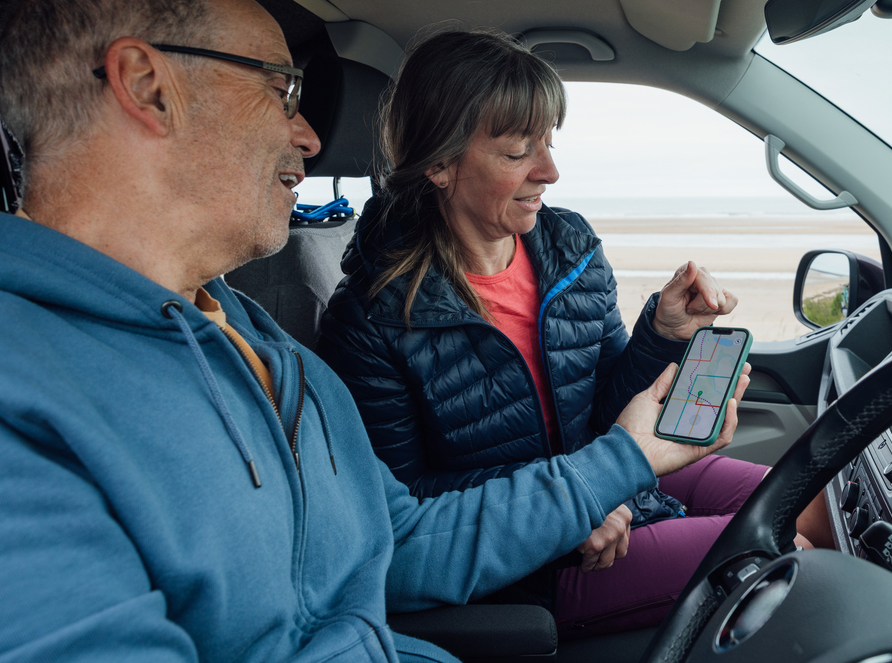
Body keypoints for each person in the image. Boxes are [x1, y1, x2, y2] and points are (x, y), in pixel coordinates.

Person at [0, 0, 751, 663]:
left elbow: (400, 546)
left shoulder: (259, 344)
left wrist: (621, 455)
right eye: (280, 89)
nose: (310, 137)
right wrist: (609, 471)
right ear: (149, 86)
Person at [316, 31, 828, 638]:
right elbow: (404, 506)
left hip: (611, 476)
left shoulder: (570, 250)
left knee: (809, 499)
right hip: (533, 553)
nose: (550, 171)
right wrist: (566, 503)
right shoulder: (370, 319)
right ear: (440, 164)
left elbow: (606, 412)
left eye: (549, 143)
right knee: (788, 553)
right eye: (517, 152)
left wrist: (663, 334)